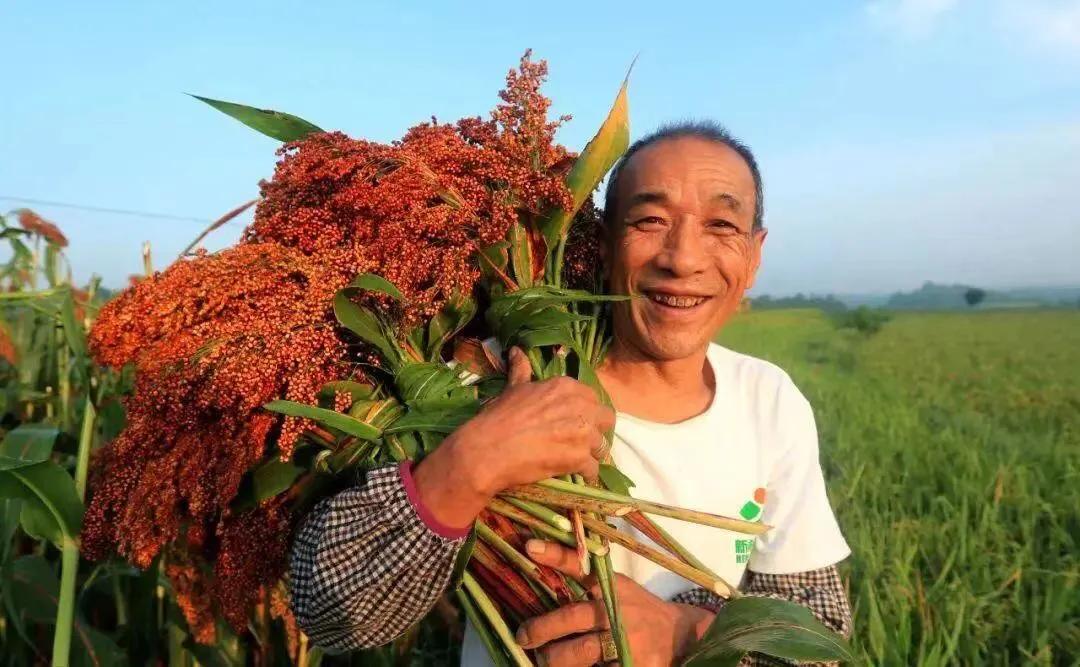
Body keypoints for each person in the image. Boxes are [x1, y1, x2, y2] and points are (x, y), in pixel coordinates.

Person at [289, 122, 852, 666]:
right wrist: (471, 463)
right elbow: (331, 615)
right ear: (604, 245)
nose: (682, 259)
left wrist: (688, 634)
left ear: (754, 255)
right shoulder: (493, 382)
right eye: (650, 220)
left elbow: (820, 628)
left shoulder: (769, 401)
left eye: (721, 227)